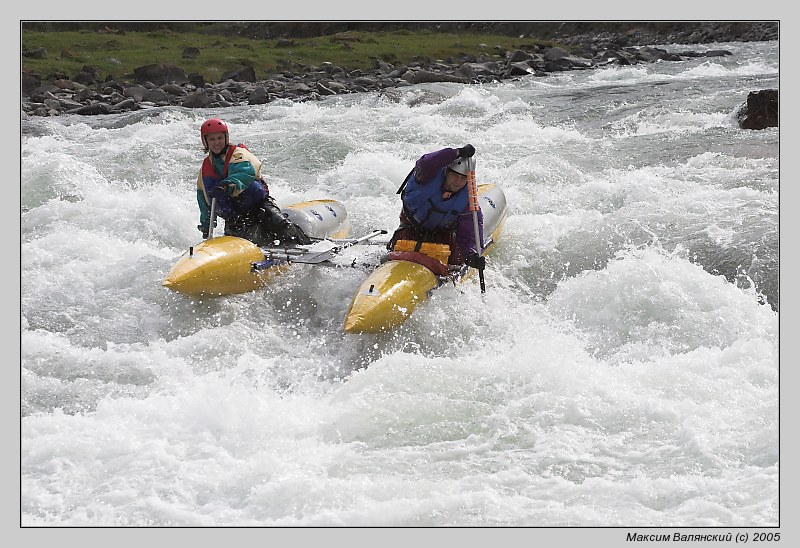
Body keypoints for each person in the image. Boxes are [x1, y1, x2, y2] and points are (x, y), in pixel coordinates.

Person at [195, 118, 311, 246]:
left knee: (281, 225)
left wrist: (226, 185)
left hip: (259, 207)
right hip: (235, 219)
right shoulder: (205, 169)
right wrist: (206, 226)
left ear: (226, 138)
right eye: (212, 139)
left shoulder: (238, 154)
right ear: (205, 141)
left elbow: (244, 172)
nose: (217, 142)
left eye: (220, 138)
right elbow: (203, 201)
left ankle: (304, 244)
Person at [387, 144, 485, 271]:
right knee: (398, 246)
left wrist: (471, 256)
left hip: (441, 233)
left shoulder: (468, 200)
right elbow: (426, 162)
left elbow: (468, 234)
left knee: (456, 256)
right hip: (411, 226)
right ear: (446, 172)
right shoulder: (426, 176)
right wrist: (456, 152)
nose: (457, 182)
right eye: (455, 175)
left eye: (463, 178)